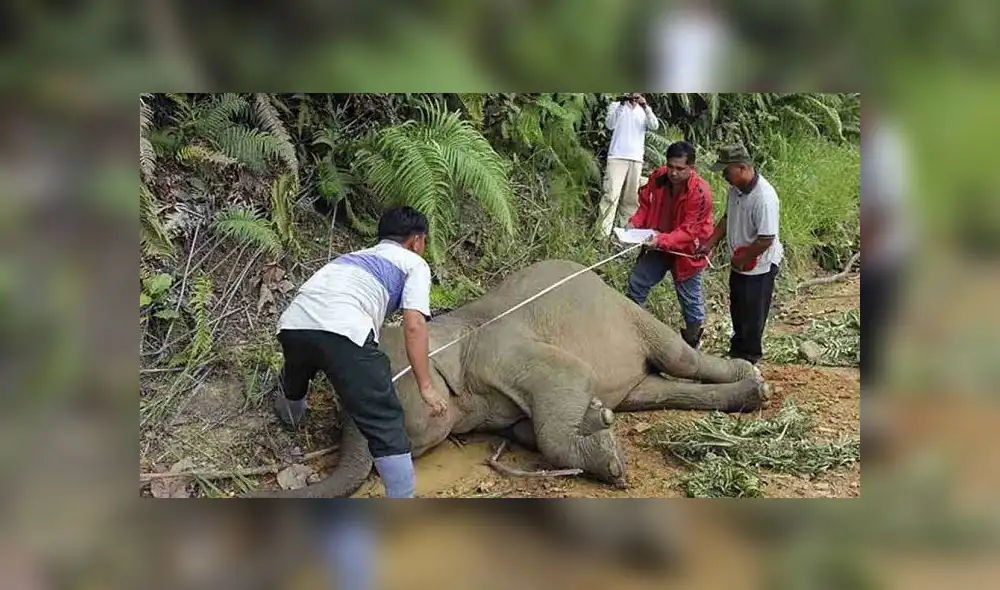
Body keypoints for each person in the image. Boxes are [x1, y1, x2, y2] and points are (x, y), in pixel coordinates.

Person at [271, 206, 448, 498]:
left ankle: (292, 419)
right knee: (385, 418)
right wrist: (426, 386)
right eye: (424, 242)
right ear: (417, 240)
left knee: (296, 373)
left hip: (293, 324)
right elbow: (414, 326)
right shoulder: (413, 264)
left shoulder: (354, 257)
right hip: (343, 331)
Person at [697, 145, 784, 364]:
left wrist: (744, 257)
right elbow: (727, 218)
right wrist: (711, 242)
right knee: (737, 308)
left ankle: (751, 359)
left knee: (753, 315)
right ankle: (737, 353)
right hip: (740, 262)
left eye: (727, 171)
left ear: (743, 168)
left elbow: (766, 238)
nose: (724, 176)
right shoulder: (735, 189)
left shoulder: (764, 198)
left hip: (760, 265)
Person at [624, 141, 714, 349]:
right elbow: (646, 203)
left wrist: (660, 240)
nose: (673, 173)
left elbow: (690, 230)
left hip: (687, 251)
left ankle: (693, 341)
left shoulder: (700, 192)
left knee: (690, 300)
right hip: (658, 242)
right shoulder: (659, 176)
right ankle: (629, 327)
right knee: (637, 281)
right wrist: (635, 222)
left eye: (680, 169)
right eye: (671, 166)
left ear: (692, 168)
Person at [598, 93, 660, 237]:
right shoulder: (616, 106)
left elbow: (654, 125)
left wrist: (645, 106)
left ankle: (625, 233)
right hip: (617, 157)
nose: (634, 95)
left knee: (630, 199)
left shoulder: (644, 111)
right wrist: (621, 103)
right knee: (611, 195)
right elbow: (610, 124)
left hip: (636, 158)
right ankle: (602, 234)